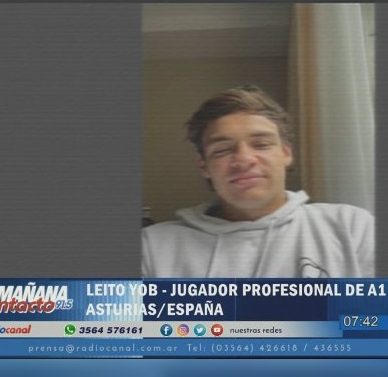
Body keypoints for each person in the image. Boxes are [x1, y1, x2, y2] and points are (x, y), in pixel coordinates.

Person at [141, 85, 375, 278]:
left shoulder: (351, 228)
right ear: (204, 166)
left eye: (261, 145)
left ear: (286, 153)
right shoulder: (151, 247)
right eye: (222, 150)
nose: (244, 159)